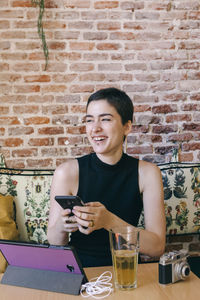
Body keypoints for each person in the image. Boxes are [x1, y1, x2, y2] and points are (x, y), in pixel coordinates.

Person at [47, 87, 166, 267]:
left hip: (128, 269)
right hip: (80, 271)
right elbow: (55, 241)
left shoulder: (147, 173)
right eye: (89, 120)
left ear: (127, 126)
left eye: (105, 119)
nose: (95, 128)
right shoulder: (67, 172)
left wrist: (109, 221)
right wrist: (62, 227)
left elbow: (157, 247)